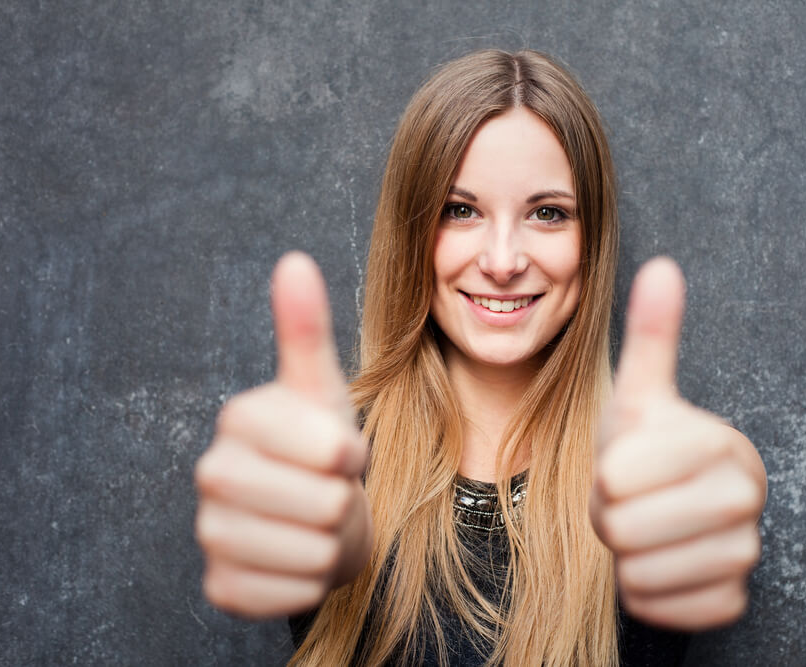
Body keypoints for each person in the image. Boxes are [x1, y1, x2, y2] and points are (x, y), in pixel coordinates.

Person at [194, 49, 767, 666]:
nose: (501, 261)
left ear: (591, 240)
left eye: (548, 214)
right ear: (413, 233)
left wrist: (700, 490)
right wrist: (331, 542)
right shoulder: (328, 457)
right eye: (460, 211)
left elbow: (721, 478)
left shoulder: (665, 468)